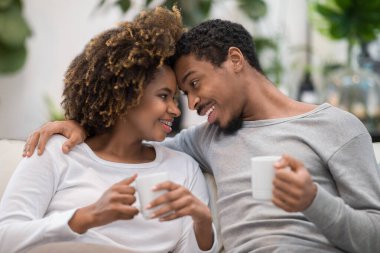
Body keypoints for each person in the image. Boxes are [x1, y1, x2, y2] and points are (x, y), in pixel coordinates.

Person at [22, 18, 380, 253]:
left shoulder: (336, 127)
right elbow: (134, 139)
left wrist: (312, 200)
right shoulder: (207, 139)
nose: (191, 104)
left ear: (235, 60)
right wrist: (84, 126)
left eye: (194, 84)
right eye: (181, 93)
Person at [0, 7, 218, 253]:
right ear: (126, 95)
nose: (175, 110)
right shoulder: (58, 151)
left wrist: (202, 221)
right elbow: (5, 237)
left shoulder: (183, 168)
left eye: (175, 98)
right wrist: (86, 217)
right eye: (164, 96)